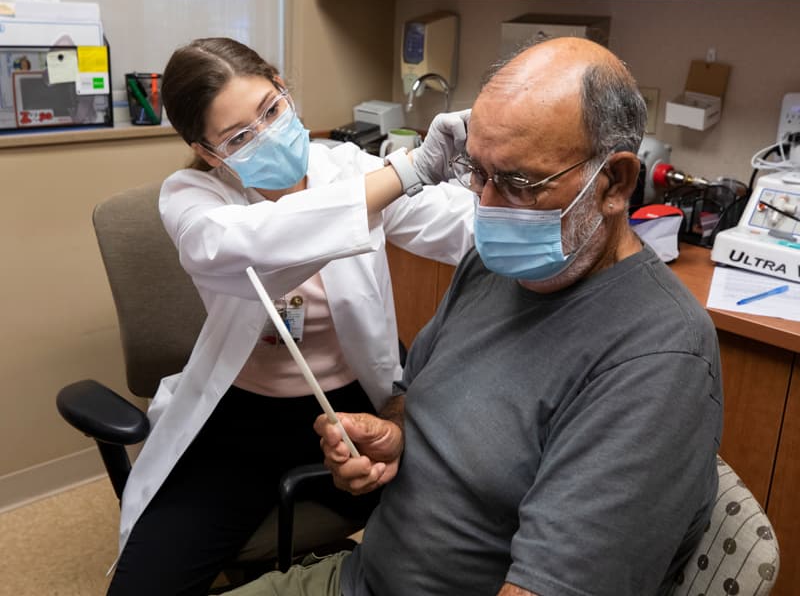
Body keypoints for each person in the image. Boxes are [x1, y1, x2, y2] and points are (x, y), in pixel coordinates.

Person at [225, 36, 724, 596]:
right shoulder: (494, 266)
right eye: (478, 173)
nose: (484, 206)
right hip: (358, 578)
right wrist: (393, 430)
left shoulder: (656, 357)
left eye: (516, 183)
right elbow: (421, 391)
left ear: (614, 184)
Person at [106, 37, 474, 596]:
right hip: (242, 416)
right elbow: (259, 241)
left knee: (456, 538)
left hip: (357, 402)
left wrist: (525, 194)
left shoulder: (347, 168)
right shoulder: (193, 198)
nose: (268, 134)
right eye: (239, 137)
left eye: (271, 110)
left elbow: (456, 223)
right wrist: (405, 171)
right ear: (208, 152)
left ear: (282, 85)